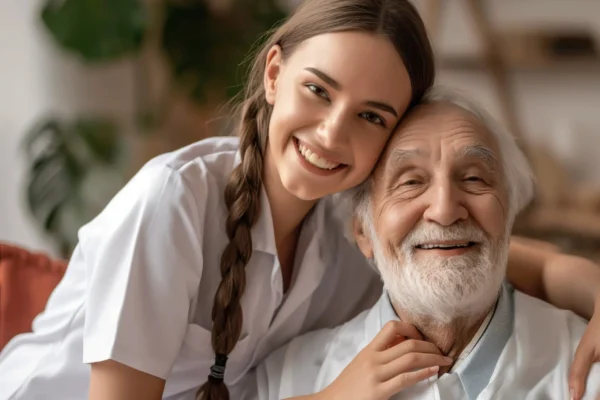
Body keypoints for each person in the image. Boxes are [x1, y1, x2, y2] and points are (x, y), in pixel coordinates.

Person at [0, 1, 599, 399]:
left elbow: (483, 250)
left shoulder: (346, 232)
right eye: (318, 90)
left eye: (370, 116)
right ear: (273, 73)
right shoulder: (173, 203)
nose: (333, 134)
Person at [252, 91, 600, 400]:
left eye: (474, 178)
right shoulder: (287, 379)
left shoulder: (586, 365)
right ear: (363, 232)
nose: (445, 210)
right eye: (411, 181)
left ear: (508, 214)